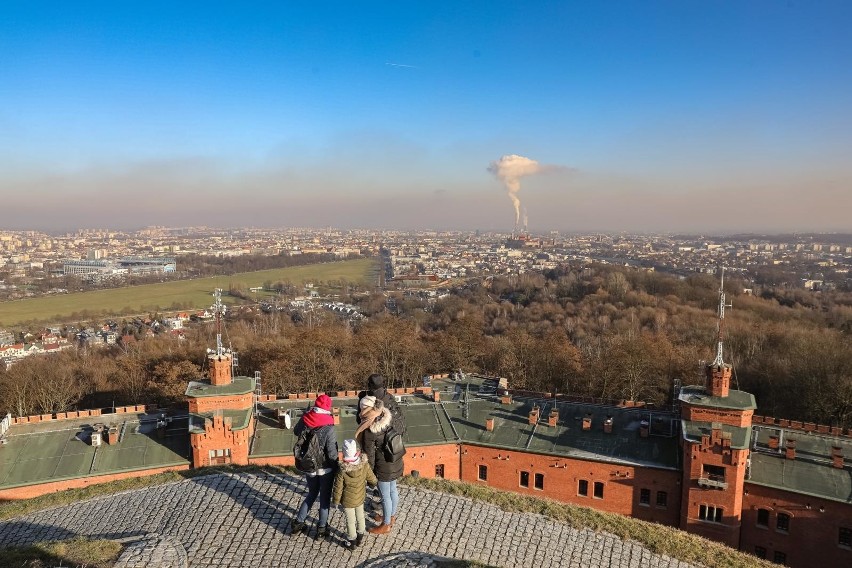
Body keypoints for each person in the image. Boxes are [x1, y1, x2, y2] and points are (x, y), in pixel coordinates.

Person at [291, 394, 338, 538]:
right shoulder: (329, 427)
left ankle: (298, 523)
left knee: (311, 494)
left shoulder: (305, 418)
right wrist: (336, 468)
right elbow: (331, 452)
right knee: (324, 498)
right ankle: (321, 529)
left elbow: (296, 432)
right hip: (325, 468)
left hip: (309, 465)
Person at [357, 398, 403, 535]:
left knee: (385, 496)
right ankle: (391, 517)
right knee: (393, 490)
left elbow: (369, 455)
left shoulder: (370, 430)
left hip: (383, 467)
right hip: (395, 460)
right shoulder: (386, 416)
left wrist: (369, 473)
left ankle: (386, 524)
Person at [331, 438, 377, 550]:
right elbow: (372, 479)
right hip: (360, 497)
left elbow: (338, 487)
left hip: (347, 501)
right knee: (360, 517)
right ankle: (360, 535)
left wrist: (336, 501)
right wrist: (372, 484)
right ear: (357, 452)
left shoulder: (342, 470)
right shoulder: (364, 465)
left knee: (350, 521)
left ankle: (352, 541)